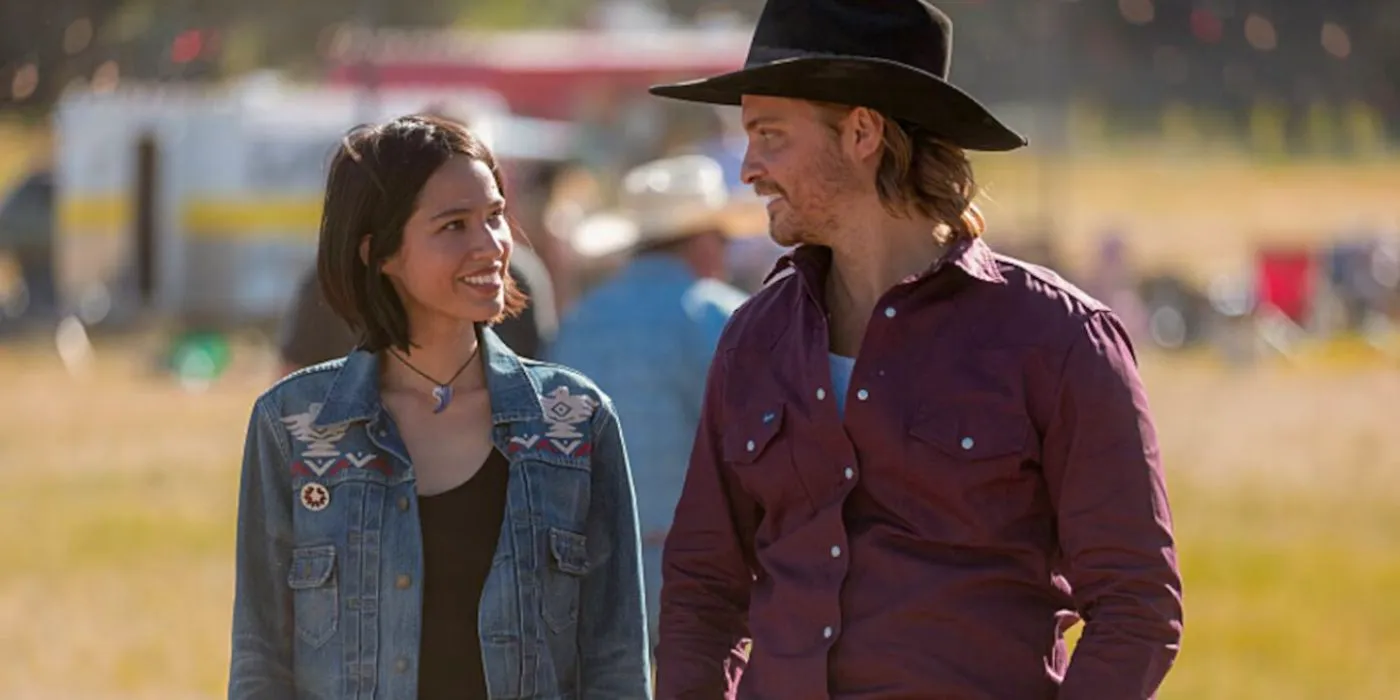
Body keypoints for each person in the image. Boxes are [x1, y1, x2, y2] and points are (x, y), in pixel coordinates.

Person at [647, 1, 1184, 698]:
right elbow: (700, 591)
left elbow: (1136, 606)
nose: (748, 167)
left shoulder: (1059, 340)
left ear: (862, 131)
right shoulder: (752, 341)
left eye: (770, 135)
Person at [228, 114, 651, 699]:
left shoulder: (577, 423)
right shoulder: (294, 427)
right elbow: (260, 663)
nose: (492, 245)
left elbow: (618, 663)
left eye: (496, 216)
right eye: (454, 225)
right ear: (380, 253)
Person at [547, 154, 762, 651]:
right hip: (702, 570)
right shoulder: (722, 316)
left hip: (593, 567)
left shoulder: (582, 320)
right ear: (703, 240)